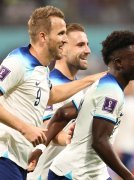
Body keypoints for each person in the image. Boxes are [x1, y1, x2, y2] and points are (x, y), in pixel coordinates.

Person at [0, 6, 104, 180]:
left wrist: (92, 80)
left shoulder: (42, 70)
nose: (65, 40)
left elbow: (51, 95)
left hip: (18, 163)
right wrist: (25, 128)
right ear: (43, 36)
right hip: (0, 158)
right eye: (61, 34)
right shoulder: (18, 61)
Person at [28, 30, 134, 180]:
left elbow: (63, 114)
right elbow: (99, 141)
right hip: (74, 173)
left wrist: (40, 148)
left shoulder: (98, 86)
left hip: (91, 172)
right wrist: (129, 177)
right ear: (119, 63)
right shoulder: (110, 91)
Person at [27, 23, 91, 180]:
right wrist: (74, 139)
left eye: (87, 45)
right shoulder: (50, 85)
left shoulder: (76, 87)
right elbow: (45, 130)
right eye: (80, 45)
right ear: (62, 48)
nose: (88, 50)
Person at [113, 81, 134, 172]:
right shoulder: (120, 102)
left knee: (133, 174)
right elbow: (115, 126)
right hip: (121, 147)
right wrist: (115, 146)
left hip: (133, 147)